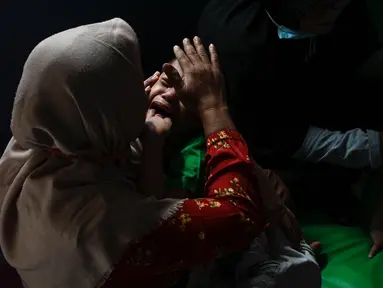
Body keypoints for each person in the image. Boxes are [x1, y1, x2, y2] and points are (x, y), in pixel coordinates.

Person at [0, 18, 300, 287]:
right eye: (128, 87)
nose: (144, 88)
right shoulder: (106, 226)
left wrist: (260, 176)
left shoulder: (43, 137)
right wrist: (211, 104)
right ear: (102, 113)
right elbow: (237, 217)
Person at [198, 0, 383, 258]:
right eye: (324, 6)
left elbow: (363, 57)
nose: (332, 11)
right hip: (270, 133)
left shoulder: (344, 14)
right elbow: (287, 139)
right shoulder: (240, 46)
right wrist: (374, 149)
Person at [143, 58, 321, 287]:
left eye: (186, 97)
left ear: (201, 117)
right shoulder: (132, 120)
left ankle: (296, 253)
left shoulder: (194, 155)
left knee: (280, 271)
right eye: (166, 82)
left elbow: (158, 213)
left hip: (236, 243)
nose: (168, 95)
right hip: (218, 242)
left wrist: (152, 146)